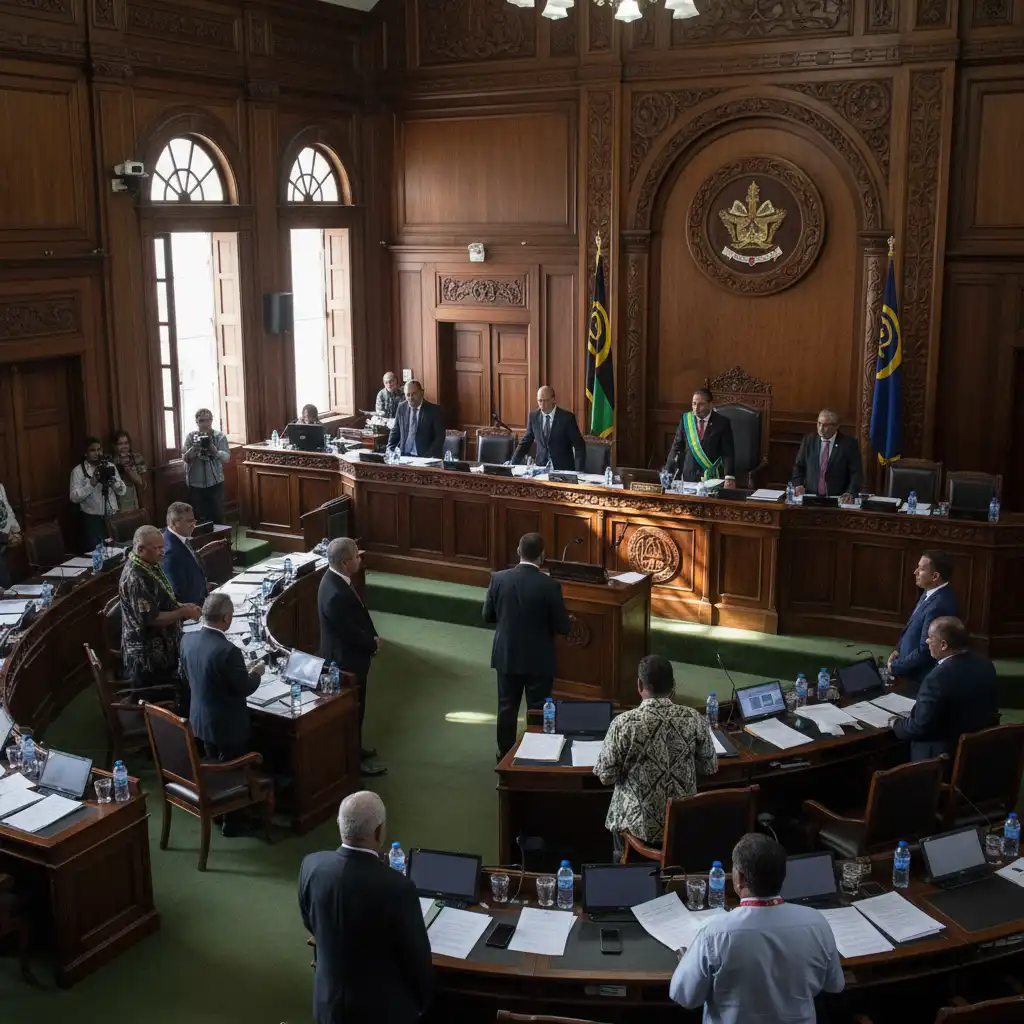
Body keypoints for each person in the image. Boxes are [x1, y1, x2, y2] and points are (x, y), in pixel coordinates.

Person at [670, 832, 844, 1024]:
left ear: (741, 879)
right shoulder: (817, 923)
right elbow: (835, 985)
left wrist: (687, 961)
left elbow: (684, 996)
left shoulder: (714, 933)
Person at [299, 791, 432, 1024]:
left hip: (327, 1005)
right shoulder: (398, 887)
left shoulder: (311, 865)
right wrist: (422, 1004)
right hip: (381, 1013)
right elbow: (415, 958)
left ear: (339, 824)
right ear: (380, 832)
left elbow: (310, 922)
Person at [594, 656, 718, 861]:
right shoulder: (694, 718)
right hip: (682, 823)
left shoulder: (623, 723)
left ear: (640, 685)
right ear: (673, 686)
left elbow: (606, 777)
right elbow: (710, 767)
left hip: (637, 828)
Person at [180, 593, 265, 835]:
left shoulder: (187, 640)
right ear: (226, 618)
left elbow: (186, 675)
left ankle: (219, 812)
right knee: (230, 771)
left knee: (215, 764)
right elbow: (244, 687)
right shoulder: (228, 651)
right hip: (228, 725)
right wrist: (256, 672)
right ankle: (233, 821)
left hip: (201, 721)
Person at [483, 532, 571, 760]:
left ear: (518, 551)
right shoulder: (550, 586)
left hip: (507, 654)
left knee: (506, 707)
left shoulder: (498, 579)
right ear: (542, 556)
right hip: (538, 659)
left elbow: (487, 616)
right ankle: (538, 754)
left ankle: (504, 756)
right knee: (538, 708)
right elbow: (563, 627)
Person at [318, 538, 385, 777]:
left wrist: (372, 636)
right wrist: (372, 644)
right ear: (345, 563)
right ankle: (352, 764)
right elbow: (349, 631)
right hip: (346, 663)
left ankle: (357, 749)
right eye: (357, 556)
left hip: (350, 657)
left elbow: (359, 617)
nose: (360, 558)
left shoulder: (336, 579)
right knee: (352, 711)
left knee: (359, 708)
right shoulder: (335, 593)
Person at [892, 616, 999, 760]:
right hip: (977, 751)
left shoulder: (937, 678)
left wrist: (896, 724)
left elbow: (918, 727)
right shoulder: (985, 664)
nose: (927, 641)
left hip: (941, 758)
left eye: (930, 638)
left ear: (943, 645)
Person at [119, 525, 201, 694]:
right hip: (148, 655)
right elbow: (152, 619)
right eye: (157, 548)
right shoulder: (135, 578)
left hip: (166, 643)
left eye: (163, 546)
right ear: (141, 549)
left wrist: (181, 606)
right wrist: (182, 613)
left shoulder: (149, 563)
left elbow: (161, 599)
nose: (162, 552)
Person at [887, 550, 961, 690]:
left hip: (919, 680)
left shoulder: (940, 605)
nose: (915, 572)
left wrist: (896, 666)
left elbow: (926, 650)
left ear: (935, 576)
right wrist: (898, 650)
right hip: (909, 671)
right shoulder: (930, 593)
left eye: (921, 569)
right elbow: (912, 626)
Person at [664, 389, 736, 487]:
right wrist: (668, 470)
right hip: (689, 476)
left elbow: (728, 452)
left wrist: (729, 476)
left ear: (710, 405)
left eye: (701, 404)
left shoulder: (722, 423)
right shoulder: (686, 419)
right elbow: (676, 447)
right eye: (694, 403)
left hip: (712, 477)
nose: (696, 408)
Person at [789, 408, 863, 502]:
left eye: (825, 425)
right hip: (811, 497)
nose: (820, 428)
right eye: (819, 424)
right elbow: (798, 466)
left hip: (838, 499)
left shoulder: (848, 444)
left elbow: (856, 473)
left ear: (836, 426)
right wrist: (798, 484)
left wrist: (850, 492)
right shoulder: (809, 441)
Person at [512, 386, 586, 472]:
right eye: (540, 401)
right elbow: (526, 442)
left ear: (553, 399)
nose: (542, 404)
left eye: (546, 400)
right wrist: (512, 464)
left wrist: (579, 471)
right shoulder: (533, 417)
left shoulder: (567, 418)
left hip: (563, 469)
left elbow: (579, 446)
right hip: (540, 468)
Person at [70, 436, 126, 551]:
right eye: (92, 450)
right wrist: (91, 484)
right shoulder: (78, 471)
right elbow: (74, 497)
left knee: (117, 551)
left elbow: (122, 490)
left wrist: (113, 482)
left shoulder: (110, 466)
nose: (97, 453)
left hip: (113, 517)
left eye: (99, 449)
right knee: (96, 553)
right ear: (85, 453)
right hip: (92, 520)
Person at [182, 408, 230, 525]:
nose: (205, 424)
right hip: (196, 484)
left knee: (217, 515)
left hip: (215, 482)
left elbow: (226, 458)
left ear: (211, 421)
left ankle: (221, 541)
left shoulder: (220, 437)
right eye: (201, 421)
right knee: (198, 517)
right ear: (197, 422)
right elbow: (185, 458)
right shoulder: (191, 437)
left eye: (208, 420)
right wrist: (194, 447)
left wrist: (214, 450)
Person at [162, 501, 210, 608]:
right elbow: (178, 591)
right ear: (174, 523)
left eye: (194, 520)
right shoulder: (170, 551)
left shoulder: (180, 537)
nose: (194, 524)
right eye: (189, 521)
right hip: (192, 610)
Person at [386, 380, 444, 459]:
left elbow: (439, 438)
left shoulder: (434, 411)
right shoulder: (401, 407)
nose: (410, 398)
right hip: (403, 456)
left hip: (425, 457)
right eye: (408, 395)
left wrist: (427, 457)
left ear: (422, 393)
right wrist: (390, 450)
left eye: (413, 394)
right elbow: (395, 431)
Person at [111, 429, 148, 511]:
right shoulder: (111, 462)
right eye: (120, 444)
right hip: (118, 505)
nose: (124, 446)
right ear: (114, 446)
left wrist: (127, 467)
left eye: (126, 443)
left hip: (136, 502)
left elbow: (143, 484)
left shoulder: (137, 458)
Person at [0, 481, 21, 589]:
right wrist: (6, 538)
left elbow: (6, 508)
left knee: (10, 587)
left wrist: (15, 529)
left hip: (6, 542)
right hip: (4, 540)